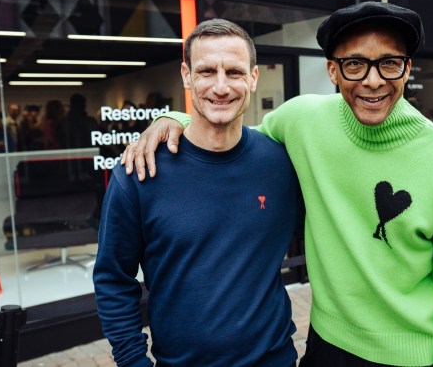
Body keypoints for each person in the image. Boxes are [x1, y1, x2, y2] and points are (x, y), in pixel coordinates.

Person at [122, 1, 433, 366]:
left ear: (407, 68)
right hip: (324, 344)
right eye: (355, 64)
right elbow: (230, 137)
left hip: (408, 357)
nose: (373, 80)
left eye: (390, 63)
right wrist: (173, 119)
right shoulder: (302, 120)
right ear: (332, 70)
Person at [93, 19, 302, 367]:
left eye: (234, 72)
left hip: (274, 359)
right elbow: (114, 279)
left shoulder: (281, 162)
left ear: (253, 77)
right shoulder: (140, 172)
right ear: (187, 76)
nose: (221, 87)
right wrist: (133, 362)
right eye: (207, 71)